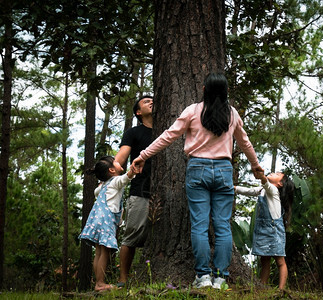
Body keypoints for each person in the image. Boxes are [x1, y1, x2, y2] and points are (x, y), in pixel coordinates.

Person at [131, 72, 263, 289]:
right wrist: (256, 165)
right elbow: (245, 142)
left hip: (197, 169)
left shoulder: (193, 111)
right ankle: (220, 278)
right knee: (222, 226)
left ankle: (203, 277)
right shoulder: (232, 115)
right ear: (226, 92)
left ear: (204, 90)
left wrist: (143, 155)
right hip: (223, 170)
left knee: (200, 226)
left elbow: (168, 136)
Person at [79, 156, 136, 292]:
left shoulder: (103, 186)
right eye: (115, 162)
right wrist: (133, 170)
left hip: (96, 219)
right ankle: (100, 283)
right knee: (105, 251)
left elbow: (95, 192)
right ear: (111, 170)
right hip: (106, 219)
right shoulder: (115, 181)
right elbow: (125, 178)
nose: (119, 161)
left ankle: (98, 283)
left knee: (98, 252)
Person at [114, 95, 153, 288]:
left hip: (168, 191)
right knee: (131, 235)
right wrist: (113, 168)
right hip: (141, 190)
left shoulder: (168, 131)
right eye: (146, 102)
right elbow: (121, 156)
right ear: (138, 112)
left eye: (152, 100)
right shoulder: (133, 132)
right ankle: (123, 280)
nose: (151, 102)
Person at [234, 171, 294, 290]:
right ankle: (262, 287)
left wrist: (261, 175)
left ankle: (281, 289)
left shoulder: (273, 190)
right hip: (262, 230)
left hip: (274, 231)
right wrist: (234, 188)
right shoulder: (263, 189)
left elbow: (266, 183)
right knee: (264, 260)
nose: (273, 173)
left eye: (277, 174)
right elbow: (249, 191)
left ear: (280, 184)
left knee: (280, 260)